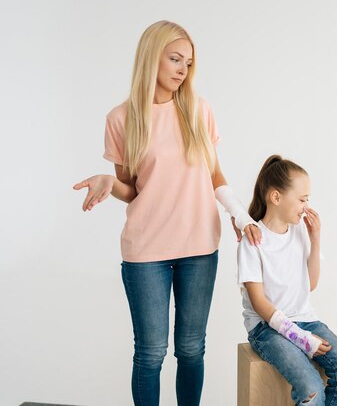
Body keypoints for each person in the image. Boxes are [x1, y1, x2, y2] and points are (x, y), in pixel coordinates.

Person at [73, 20, 261, 406]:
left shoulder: (198, 110)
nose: (182, 70)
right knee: (151, 352)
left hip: (199, 247)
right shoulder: (121, 118)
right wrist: (110, 185)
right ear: (150, 57)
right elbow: (134, 189)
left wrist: (241, 215)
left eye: (188, 63)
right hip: (146, 252)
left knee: (191, 348)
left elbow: (214, 174)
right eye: (175, 59)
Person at [238, 155, 337, 406]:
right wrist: (300, 338)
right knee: (311, 388)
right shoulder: (253, 241)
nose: (306, 206)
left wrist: (315, 240)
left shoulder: (300, 231)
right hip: (266, 329)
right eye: (302, 199)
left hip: (306, 319)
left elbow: (310, 284)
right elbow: (259, 302)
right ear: (276, 197)